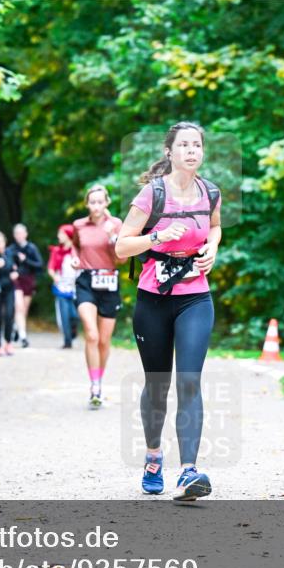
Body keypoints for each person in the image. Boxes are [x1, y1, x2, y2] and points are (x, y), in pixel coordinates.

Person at [115, 122, 222, 502]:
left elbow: (215, 227)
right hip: (153, 298)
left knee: (189, 380)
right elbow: (122, 247)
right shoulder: (152, 194)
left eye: (197, 145)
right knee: (157, 385)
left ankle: (189, 471)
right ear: (170, 152)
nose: (191, 151)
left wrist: (212, 248)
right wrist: (158, 236)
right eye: (184, 145)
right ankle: (153, 456)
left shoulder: (210, 191)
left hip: (195, 296)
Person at [73, 185, 125, 407]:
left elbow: (122, 259)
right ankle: (94, 386)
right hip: (85, 281)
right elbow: (76, 247)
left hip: (109, 281)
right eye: (92, 202)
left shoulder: (116, 224)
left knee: (104, 341)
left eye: (100, 202)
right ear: (87, 204)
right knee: (92, 335)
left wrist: (113, 238)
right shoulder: (78, 225)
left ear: (107, 203)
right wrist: (75, 259)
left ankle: (99, 381)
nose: (96, 206)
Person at [7, 223, 44, 348]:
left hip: (28, 281)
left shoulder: (31, 248)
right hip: (16, 282)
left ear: (26, 234)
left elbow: (39, 265)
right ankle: (23, 337)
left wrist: (25, 260)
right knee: (19, 307)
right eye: (16, 233)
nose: (19, 236)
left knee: (23, 310)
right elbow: (8, 265)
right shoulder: (11, 249)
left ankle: (16, 328)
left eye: (21, 233)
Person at [48, 224, 79, 349]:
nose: (58, 236)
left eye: (61, 233)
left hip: (76, 288)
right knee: (64, 315)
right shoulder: (56, 251)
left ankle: (73, 332)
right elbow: (50, 268)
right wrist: (54, 277)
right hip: (61, 288)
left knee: (75, 316)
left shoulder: (77, 250)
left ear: (68, 235)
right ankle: (67, 341)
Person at [0, 231, 18, 356]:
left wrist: (16, 273)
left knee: (10, 314)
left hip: (9, 289)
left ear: (5, 242)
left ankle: (8, 342)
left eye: (1, 242)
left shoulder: (10, 254)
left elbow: (19, 267)